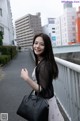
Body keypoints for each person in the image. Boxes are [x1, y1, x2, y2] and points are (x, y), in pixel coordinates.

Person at [21, 33, 64, 121]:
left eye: (42, 44)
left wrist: (26, 78)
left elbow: (42, 90)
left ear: (47, 47)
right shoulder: (42, 61)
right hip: (46, 103)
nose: (37, 46)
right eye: (36, 43)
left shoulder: (45, 65)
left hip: (45, 105)